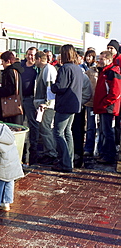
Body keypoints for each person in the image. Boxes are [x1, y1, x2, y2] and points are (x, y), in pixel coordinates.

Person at [51, 44, 83, 173]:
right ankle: (68, 161)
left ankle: (65, 163)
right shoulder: (77, 68)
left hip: (64, 105)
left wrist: (52, 87)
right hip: (74, 105)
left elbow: (60, 87)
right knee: (68, 132)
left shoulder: (65, 68)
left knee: (58, 133)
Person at [93, 50, 121, 164]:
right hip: (103, 105)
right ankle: (105, 153)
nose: (99, 61)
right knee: (104, 131)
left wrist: (105, 103)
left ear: (109, 60)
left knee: (108, 131)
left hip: (108, 106)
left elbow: (115, 92)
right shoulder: (104, 71)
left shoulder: (112, 72)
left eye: (102, 59)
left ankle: (109, 156)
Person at [33, 51, 58, 165]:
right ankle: (49, 151)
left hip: (47, 106)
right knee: (44, 128)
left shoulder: (48, 69)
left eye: (35, 59)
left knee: (46, 128)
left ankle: (52, 153)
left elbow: (49, 87)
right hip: (45, 104)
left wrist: (47, 103)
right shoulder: (45, 69)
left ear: (38, 59)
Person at [0, 51, 24, 125]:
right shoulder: (16, 71)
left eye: (3, 61)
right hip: (16, 105)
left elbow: (9, 90)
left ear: (8, 61)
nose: (2, 64)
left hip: (9, 108)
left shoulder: (9, 72)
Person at [20, 47, 39, 165]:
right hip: (20, 98)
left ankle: (34, 145)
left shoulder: (36, 69)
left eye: (32, 55)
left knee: (33, 123)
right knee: (20, 122)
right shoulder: (21, 66)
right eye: (29, 54)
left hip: (31, 99)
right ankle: (22, 145)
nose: (30, 57)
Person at [83, 50, 99, 157]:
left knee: (101, 128)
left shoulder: (98, 71)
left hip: (100, 102)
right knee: (90, 126)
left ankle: (98, 149)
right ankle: (89, 148)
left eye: (91, 56)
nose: (88, 58)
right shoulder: (88, 71)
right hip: (89, 102)